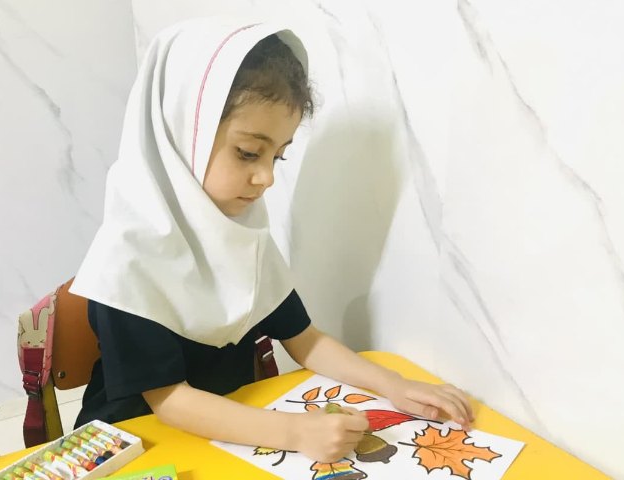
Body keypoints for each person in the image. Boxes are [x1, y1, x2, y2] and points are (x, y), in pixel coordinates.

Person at [71, 17, 474, 463]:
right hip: (136, 445)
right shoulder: (128, 258)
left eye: (277, 156)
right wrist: (295, 431)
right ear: (180, 131)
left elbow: (306, 341)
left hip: (232, 431)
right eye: (248, 153)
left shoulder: (242, 236)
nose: (266, 177)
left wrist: (394, 386)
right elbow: (169, 400)